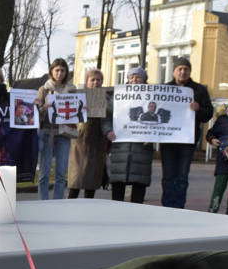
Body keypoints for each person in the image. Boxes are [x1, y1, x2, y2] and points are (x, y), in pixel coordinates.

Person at [163, 57, 213, 208]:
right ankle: (167, 205)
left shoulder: (199, 90)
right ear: (174, 71)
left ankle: (179, 206)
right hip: (168, 140)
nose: (183, 72)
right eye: (180, 69)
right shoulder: (164, 88)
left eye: (186, 69)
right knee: (168, 175)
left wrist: (199, 109)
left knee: (182, 176)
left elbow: (209, 113)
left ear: (190, 71)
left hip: (188, 140)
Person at [67, 68, 114, 199]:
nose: (95, 82)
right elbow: (67, 120)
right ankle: (69, 210)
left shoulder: (107, 98)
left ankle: (87, 209)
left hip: (97, 143)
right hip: (79, 143)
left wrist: (104, 105)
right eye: (92, 79)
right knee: (76, 181)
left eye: (98, 80)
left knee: (91, 182)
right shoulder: (77, 96)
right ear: (87, 81)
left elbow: (110, 116)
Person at [109, 67, 153, 203]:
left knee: (139, 188)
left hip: (142, 149)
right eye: (131, 77)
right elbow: (107, 117)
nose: (134, 80)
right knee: (117, 186)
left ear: (144, 80)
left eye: (138, 77)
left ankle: (136, 218)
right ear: (127, 79)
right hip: (120, 146)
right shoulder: (118, 96)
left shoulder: (153, 96)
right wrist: (108, 131)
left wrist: (152, 136)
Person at [35, 58, 77, 199]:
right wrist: (43, 108)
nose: (59, 73)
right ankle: (43, 202)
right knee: (44, 172)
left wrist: (82, 109)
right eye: (57, 70)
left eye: (62, 70)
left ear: (66, 72)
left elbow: (76, 113)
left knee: (61, 173)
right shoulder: (44, 89)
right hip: (46, 132)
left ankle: (58, 203)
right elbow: (34, 113)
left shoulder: (72, 91)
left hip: (64, 133)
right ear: (51, 72)